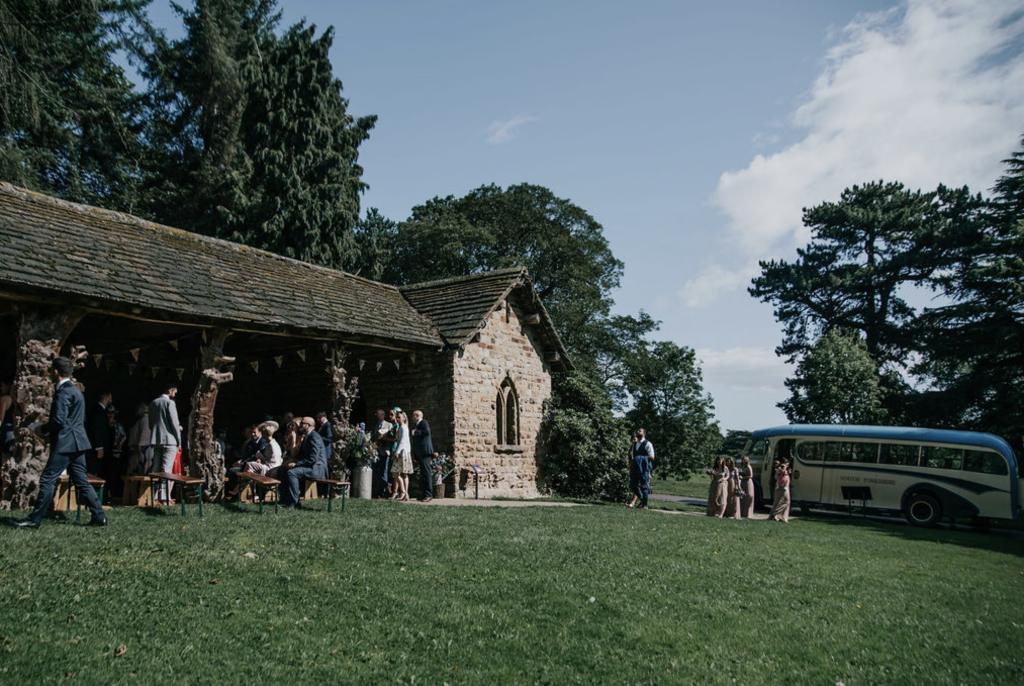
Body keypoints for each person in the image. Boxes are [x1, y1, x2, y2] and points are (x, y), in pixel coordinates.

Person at [5, 357, 105, 528]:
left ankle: (34, 519)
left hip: (65, 443)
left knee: (47, 479)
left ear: (56, 371)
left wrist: (42, 430)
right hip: (79, 442)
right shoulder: (76, 392)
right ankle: (99, 516)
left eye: (52, 370)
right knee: (81, 480)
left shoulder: (63, 392)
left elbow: (59, 420)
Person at [278, 416, 327, 507]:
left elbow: (313, 459)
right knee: (282, 470)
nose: (300, 425)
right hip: (310, 466)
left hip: (316, 469)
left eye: (302, 424)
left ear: (308, 425)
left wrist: (297, 464)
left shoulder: (314, 436)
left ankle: (295, 502)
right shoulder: (308, 436)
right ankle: (285, 499)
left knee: (292, 473)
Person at [148, 384, 181, 505]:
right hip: (169, 439)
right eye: (174, 392)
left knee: (156, 468)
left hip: (156, 439)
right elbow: (174, 422)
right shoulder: (170, 403)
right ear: (170, 390)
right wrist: (179, 440)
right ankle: (164, 497)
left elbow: (151, 423)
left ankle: (154, 496)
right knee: (167, 469)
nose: (175, 394)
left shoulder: (153, 403)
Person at [411, 409, 434, 501]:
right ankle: (424, 494)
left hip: (425, 452)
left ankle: (428, 494)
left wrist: (415, 432)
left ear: (417, 416)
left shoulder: (423, 423)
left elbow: (427, 432)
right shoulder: (418, 425)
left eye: (413, 416)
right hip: (421, 453)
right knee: (423, 474)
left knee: (427, 473)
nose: (412, 418)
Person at [390, 409, 412, 501]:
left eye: (399, 417)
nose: (397, 419)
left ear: (403, 418)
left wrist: (396, 452)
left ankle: (404, 492)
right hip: (401, 452)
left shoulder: (404, 428)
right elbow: (398, 440)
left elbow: (402, 442)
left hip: (403, 453)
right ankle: (404, 492)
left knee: (401, 473)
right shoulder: (400, 428)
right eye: (397, 417)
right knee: (398, 472)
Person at [371, 408, 393, 499]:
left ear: (382, 415)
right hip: (376, 452)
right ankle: (387, 485)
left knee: (384, 471)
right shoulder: (375, 426)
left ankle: (382, 492)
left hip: (385, 451)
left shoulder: (389, 425)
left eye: (377, 414)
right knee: (374, 471)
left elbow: (392, 437)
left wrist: (384, 441)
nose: (376, 416)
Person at [127, 402, 152, 475]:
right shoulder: (144, 419)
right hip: (140, 446)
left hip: (142, 447)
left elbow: (145, 433)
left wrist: (139, 445)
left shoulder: (145, 419)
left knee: (140, 468)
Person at [632, 429, 653, 510]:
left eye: (640, 431)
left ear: (644, 434)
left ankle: (645, 505)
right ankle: (642, 500)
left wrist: (640, 458)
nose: (637, 432)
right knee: (632, 485)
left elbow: (652, 456)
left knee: (644, 486)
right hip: (635, 468)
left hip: (644, 468)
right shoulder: (634, 444)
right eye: (637, 431)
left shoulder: (648, 444)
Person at [0, 377, 14, 459]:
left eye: (2, 386)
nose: (1, 388)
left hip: (6, 431)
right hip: (13, 432)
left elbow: (0, 419)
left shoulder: (5, 399)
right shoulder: (15, 400)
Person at [627, 435, 640, 508]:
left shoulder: (639, 449)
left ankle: (633, 502)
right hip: (633, 469)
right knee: (635, 485)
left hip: (639, 469)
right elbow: (630, 460)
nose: (633, 441)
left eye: (635, 439)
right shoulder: (631, 448)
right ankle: (637, 502)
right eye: (632, 439)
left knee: (638, 486)